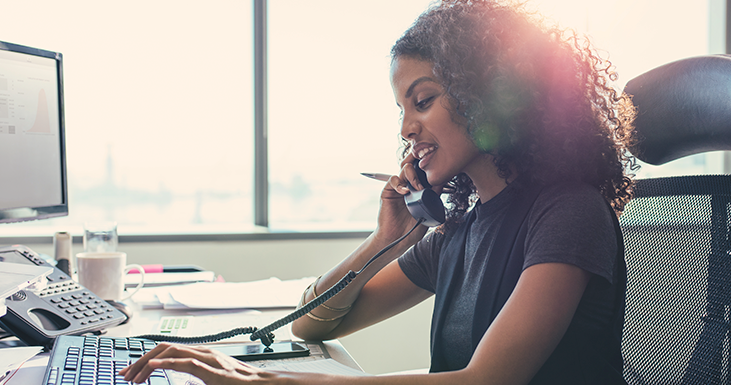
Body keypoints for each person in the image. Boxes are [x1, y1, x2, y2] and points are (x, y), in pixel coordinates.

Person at [120, 0, 637, 383]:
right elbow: (313, 326)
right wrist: (384, 241)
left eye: (423, 101)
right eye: (402, 110)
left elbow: (486, 380)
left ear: (485, 97)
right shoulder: (459, 230)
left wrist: (267, 381)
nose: (407, 128)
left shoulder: (570, 212)